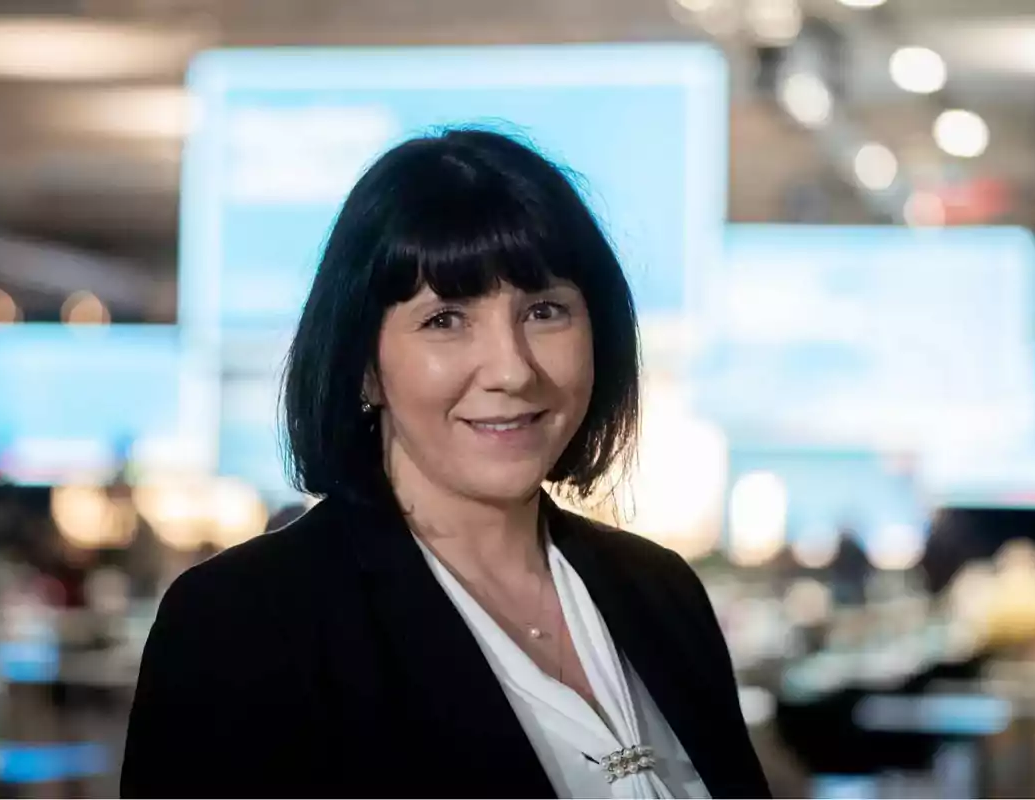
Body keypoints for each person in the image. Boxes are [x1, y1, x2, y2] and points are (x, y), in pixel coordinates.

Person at [120, 129, 769, 799]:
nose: (513, 369)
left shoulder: (660, 592)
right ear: (365, 367)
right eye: (446, 320)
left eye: (545, 312)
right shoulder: (244, 624)